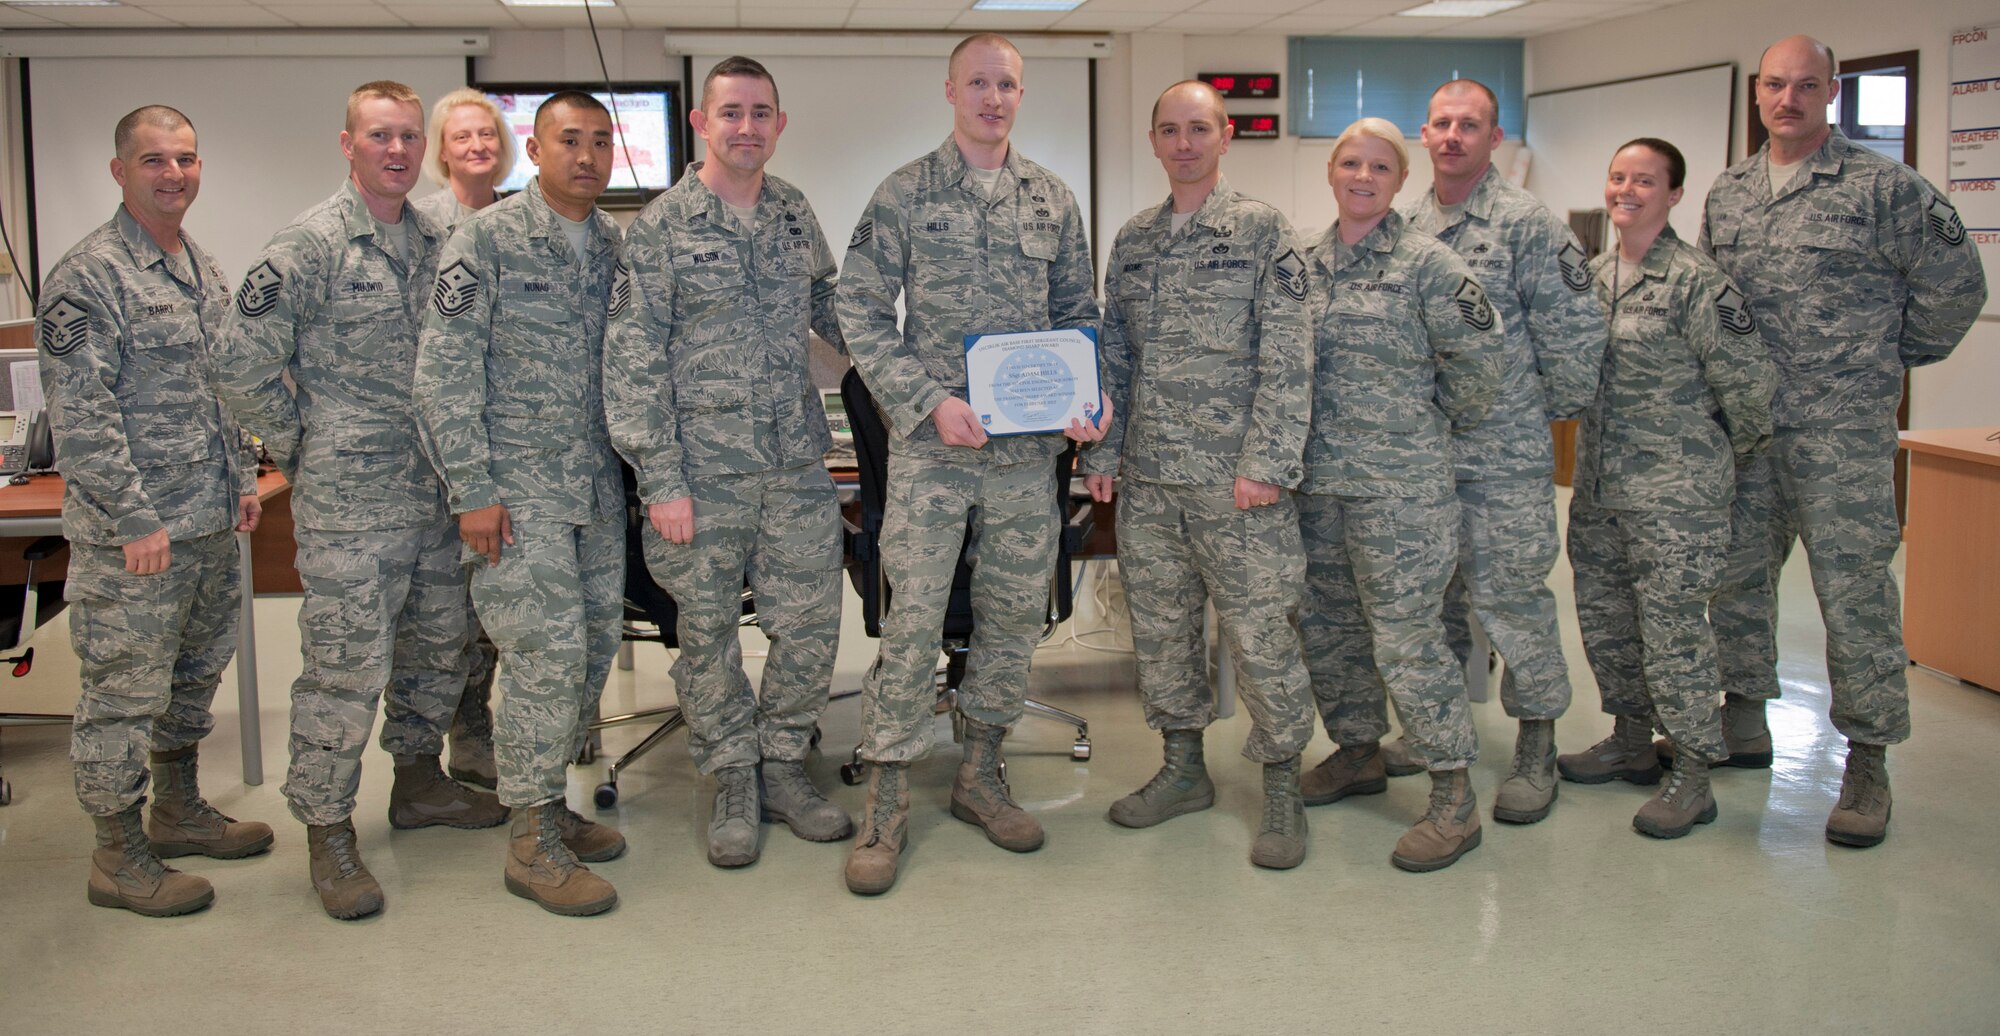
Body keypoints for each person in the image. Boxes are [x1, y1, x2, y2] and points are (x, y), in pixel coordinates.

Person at [216, 81, 504, 922]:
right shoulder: (305, 248)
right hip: (350, 506)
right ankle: (329, 830)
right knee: (344, 673)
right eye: (379, 136)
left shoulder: (441, 237)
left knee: (433, 656)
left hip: (437, 497)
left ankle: (418, 783)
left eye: (410, 136)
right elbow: (238, 366)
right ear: (348, 145)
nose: (397, 151)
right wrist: (306, 442)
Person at [1698, 35, 1986, 847]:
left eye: (1805, 86)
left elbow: (1957, 286)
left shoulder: (1885, 189)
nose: (1787, 99)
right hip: (1751, 428)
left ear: (1831, 92)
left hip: (1841, 434)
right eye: (1775, 85)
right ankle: (1743, 717)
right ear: (1759, 93)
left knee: (1853, 597)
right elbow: (1717, 302)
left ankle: (1867, 760)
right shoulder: (1730, 192)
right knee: (1738, 580)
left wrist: (1887, 360)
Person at [835, 33, 1106, 895]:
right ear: (951, 89)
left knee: (1012, 616)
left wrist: (1084, 403)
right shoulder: (906, 194)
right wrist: (923, 401)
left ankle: (980, 773)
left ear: (1020, 96)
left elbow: (1078, 315)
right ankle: (884, 796)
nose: (993, 97)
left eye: (1008, 85)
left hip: (1029, 456)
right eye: (979, 82)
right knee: (912, 621)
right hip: (933, 452)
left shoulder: (1052, 199)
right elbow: (860, 309)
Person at [606, 56, 853, 869]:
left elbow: (833, 307)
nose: (747, 127)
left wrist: (914, 359)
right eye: (732, 113)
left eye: (761, 113)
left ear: (779, 124)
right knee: (707, 634)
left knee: (810, 624)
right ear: (701, 124)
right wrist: (661, 483)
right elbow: (634, 359)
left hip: (791, 463)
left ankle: (782, 763)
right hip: (700, 475)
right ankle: (732, 776)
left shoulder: (791, 211)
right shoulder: (663, 226)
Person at [39, 105, 273, 916]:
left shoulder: (200, 265)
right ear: (119, 171)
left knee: (190, 680)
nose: (174, 174)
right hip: (137, 537)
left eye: (186, 158)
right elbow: (82, 417)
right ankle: (116, 854)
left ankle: (176, 809)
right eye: (154, 160)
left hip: (207, 520)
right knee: (122, 693)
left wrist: (243, 473)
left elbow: (226, 383)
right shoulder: (89, 274)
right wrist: (134, 519)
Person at [1082, 80, 1314, 870]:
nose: (1184, 143)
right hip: (1150, 476)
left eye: (1199, 130)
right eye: (1170, 130)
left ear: (1225, 139)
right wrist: (1103, 455)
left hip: (1236, 480)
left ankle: (1282, 780)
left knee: (1259, 633)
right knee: (1163, 630)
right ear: (1153, 141)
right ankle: (1183, 767)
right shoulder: (1135, 239)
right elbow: (1114, 353)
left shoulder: (1262, 230)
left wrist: (1269, 463)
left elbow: (1290, 356)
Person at [416, 90, 629, 916]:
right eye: (567, 140)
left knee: (590, 651)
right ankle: (531, 841)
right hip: (516, 491)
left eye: (600, 141)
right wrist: (470, 489)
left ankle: (550, 806)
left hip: (595, 489)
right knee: (542, 655)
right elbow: (442, 371)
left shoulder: (613, 245)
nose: (586, 155)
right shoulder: (486, 239)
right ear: (534, 152)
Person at [1296, 118, 1503, 872]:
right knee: (1330, 629)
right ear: (1330, 171)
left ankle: (1453, 797)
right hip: (1317, 486)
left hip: (1400, 493)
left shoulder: (1431, 266)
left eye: (1379, 166)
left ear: (1399, 179)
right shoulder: (1302, 264)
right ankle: (1357, 751)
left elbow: (1481, 365)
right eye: (1350, 162)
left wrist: (1421, 427)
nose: (1362, 176)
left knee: (1408, 642)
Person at [1400, 79, 1607, 824]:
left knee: (1512, 599)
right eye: (1442, 123)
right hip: (1422, 455)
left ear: (1495, 139)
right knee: (1433, 601)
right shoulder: (1406, 221)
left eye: (1471, 125)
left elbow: (1577, 338)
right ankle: (1438, 732)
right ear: (1424, 134)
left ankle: (1537, 743)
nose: (1454, 136)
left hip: (1503, 457)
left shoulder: (1526, 224)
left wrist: (1524, 419)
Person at [1557, 138, 1776, 838]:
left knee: (1675, 633)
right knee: (1608, 622)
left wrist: (1709, 468)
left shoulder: (1697, 282)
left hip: (1675, 496)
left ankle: (1692, 771)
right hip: (1598, 488)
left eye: (1645, 180)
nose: (1628, 190)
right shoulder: (1590, 277)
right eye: (1618, 176)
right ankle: (1629, 741)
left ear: (1675, 194)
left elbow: (1748, 391)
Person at [416, 87, 517, 790]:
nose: (477, 146)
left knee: (493, 613)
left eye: (487, 134)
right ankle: (444, 742)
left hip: (510, 445)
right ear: (441, 148)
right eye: (462, 137)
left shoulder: (520, 221)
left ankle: (479, 731)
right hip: (441, 449)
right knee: (443, 617)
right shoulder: (422, 226)